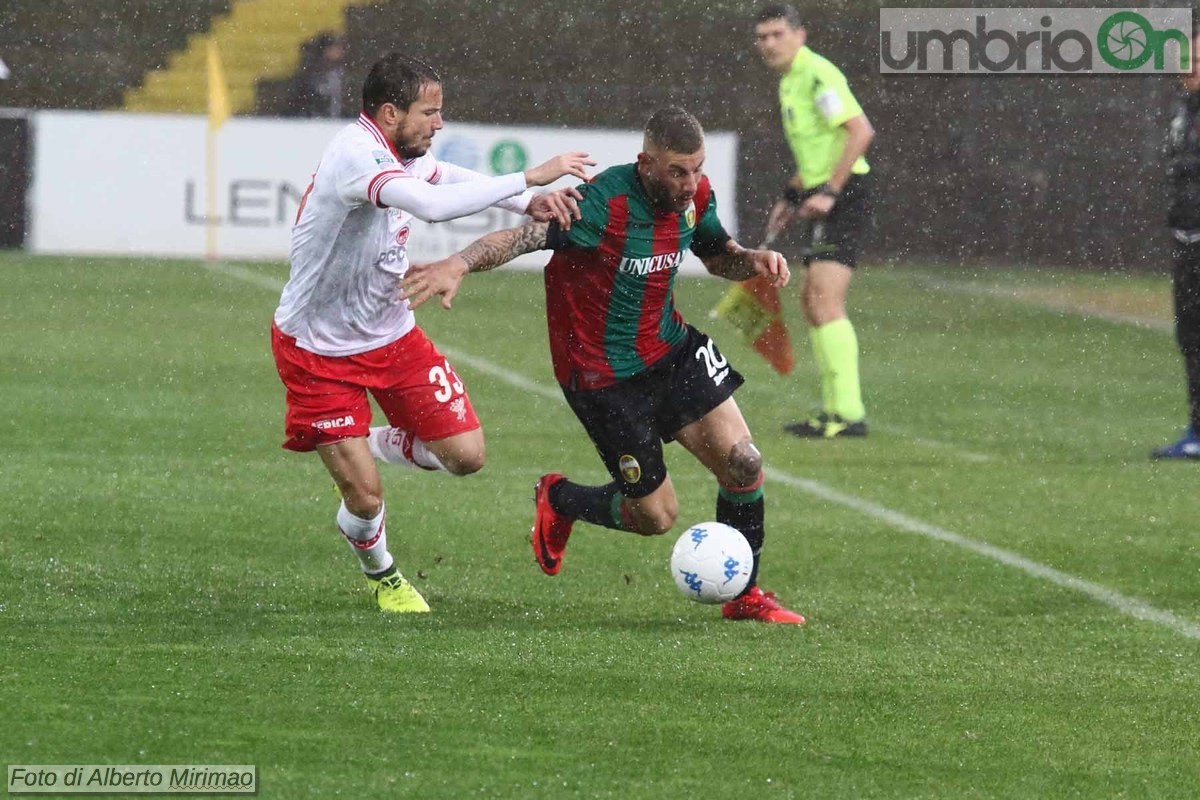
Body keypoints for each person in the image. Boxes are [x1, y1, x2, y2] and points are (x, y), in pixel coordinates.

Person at [401, 107, 807, 624]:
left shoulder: (695, 198)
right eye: (678, 171)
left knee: (745, 462)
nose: (690, 184)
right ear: (646, 164)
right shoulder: (602, 202)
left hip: (670, 349)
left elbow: (714, 252)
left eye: (698, 169)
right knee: (656, 517)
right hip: (603, 377)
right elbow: (522, 236)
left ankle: (745, 594)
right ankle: (561, 498)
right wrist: (458, 262)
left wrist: (751, 260)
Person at [270, 52, 594, 613]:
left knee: (467, 456)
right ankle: (384, 574)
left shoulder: (406, 149)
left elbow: (445, 176)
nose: (440, 124)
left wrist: (526, 201)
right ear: (390, 112)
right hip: (316, 348)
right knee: (366, 499)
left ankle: (360, 443)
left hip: (391, 334)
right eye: (431, 112)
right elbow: (431, 204)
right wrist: (528, 175)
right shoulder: (355, 154)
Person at [754, 3, 875, 439]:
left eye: (777, 34)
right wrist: (793, 193)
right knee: (811, 300)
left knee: (825, 300)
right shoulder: (791, 81)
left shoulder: (818, 73)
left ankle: (848, 413)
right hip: (823, 195)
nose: (769, 43)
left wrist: (830, 191)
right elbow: (821, 149)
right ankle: (834, 411)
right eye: (762, 36)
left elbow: (860, 131)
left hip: (844, 196)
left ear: (799, 35)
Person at [1154, 24, 1200, 460]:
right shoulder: (1183, 112)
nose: (1190, 70)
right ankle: (1197, 429)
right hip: (1187, 240)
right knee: (1190, 335)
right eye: (1187, 62)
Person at [288, 33, 348, 118]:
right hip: (315, 120)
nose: (341, 51)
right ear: (326, 50)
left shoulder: (340, 70)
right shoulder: (313, 72)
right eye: (337, 48)